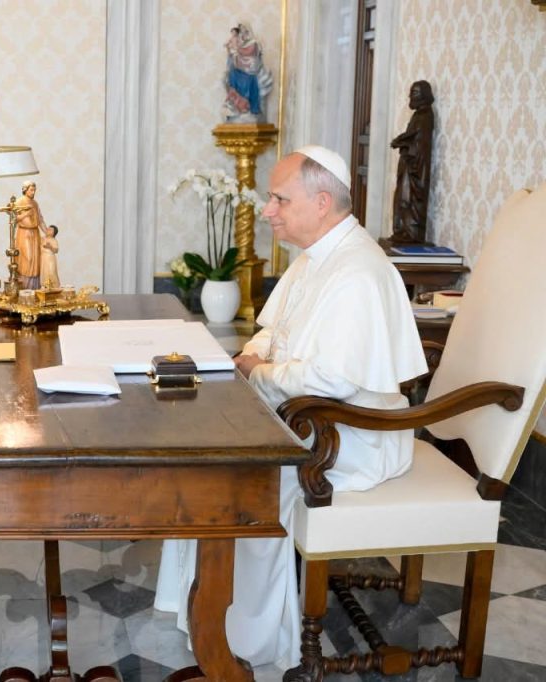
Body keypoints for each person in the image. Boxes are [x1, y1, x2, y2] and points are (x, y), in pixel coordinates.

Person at [155, 145, 426, 671]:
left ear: (321, 203)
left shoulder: (357, 272)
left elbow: (333, 380)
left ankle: (242, 641)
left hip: (352, 436)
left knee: (241, 480)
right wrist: (253, 356)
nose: (268, 210)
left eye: (280, 199)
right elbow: (270, 332)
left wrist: (257, 371)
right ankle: (200, 613)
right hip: (311, 418)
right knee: (197, 453)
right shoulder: (314, 257)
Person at [389, 80, 435, 244]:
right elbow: (413, 135)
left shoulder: (425, 116)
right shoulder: (418, 115)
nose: (410, 96)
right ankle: (402, 231)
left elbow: (418, 140)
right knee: (402, 199)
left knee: (409, 200)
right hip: (409, 165)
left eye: (414, 93)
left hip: (415, 167)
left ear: (424, 95)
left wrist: (401, 141)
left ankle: (411, 233)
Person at [223, 23, 273, 123]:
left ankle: (245, 105)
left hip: (250, 71)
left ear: (249, 32)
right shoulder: (241, 44)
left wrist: (236, 48)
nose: (243, 35)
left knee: (246, 81)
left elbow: (247, 52)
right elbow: (235, 56)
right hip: (241, 69)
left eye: (245, 33)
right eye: (242, 33)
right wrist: (231, 49)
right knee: (232, 74)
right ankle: (235, 103)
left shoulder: (253, 43)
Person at [14, 180, 48, 289]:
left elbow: (40, 219)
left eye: (34, 190)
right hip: (24, 233)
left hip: (35, 233)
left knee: (36, 260)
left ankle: (34, 288)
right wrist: (26, 214)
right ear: (25, 190)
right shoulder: (19, 202)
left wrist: (46, 232)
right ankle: (25, 288)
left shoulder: (35, 203)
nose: (33, 192)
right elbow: (14, 218)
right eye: (31, 190)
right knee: (27, 259)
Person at [40, 224, 60, 289]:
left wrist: (50, 247)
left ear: (54, 233)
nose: (48, 230)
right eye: (48, 229)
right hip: (43, 258)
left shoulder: (53, 240)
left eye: (51, 230)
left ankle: (55, 287)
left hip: (50, 258)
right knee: (44, 272)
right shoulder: (43, 238)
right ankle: (45, 286)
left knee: (51, 272)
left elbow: (56, 250)